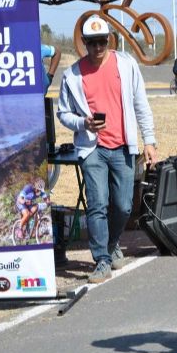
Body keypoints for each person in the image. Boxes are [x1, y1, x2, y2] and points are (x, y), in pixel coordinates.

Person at [58, 14, 158, 284]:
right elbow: (63, 113)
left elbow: (141, 103)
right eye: (92, 43)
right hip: (92, 149)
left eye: (102, 42)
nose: (97, 48)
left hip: (124, 145)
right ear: (84, 44)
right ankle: (101, 259)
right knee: (97, 205)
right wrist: (83, 123)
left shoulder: (126, 65)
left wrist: (149, 140)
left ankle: (113, 242)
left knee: (124, 206)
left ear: (109, 41)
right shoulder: (72, 75)